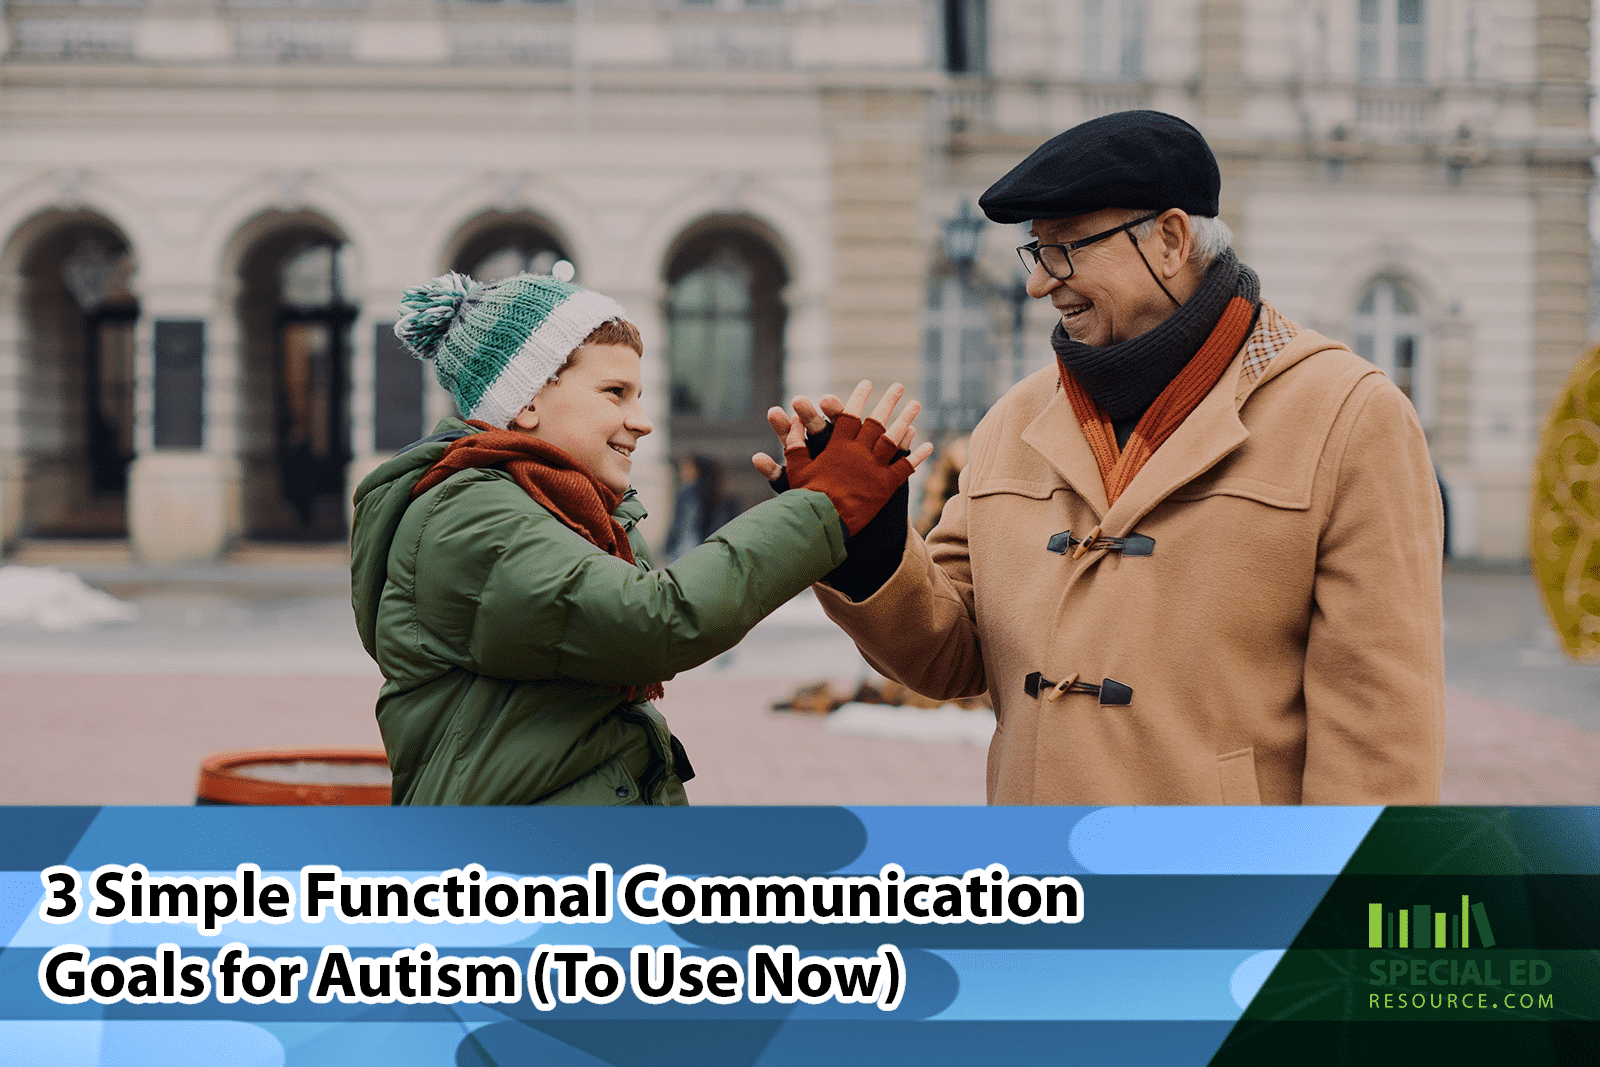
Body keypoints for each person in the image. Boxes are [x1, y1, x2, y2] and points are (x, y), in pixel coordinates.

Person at [766, 110, 1445, 805]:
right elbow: (950, 658)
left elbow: (1379, 742)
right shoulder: (1014, 420)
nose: (1038, 283)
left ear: (1172, 239)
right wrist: (869, 544)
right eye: (1037, 252)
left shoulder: (1350, 416)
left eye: (1066, 248)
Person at [350, 272, 931, 804]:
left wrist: (825, 520)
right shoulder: (469, 514)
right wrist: (820, 510)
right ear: (525, 400)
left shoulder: (571, 511)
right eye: (614, 393)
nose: (642, 420)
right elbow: (653, 622)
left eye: (640, 395)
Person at [662, 455, 740, 561]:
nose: (683, 471)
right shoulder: (720, 497)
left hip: (689, 552)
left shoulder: (688, 495)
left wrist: (666, 551)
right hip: (705, 554)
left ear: (699, 470)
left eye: (688, 467)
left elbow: (678, 527)